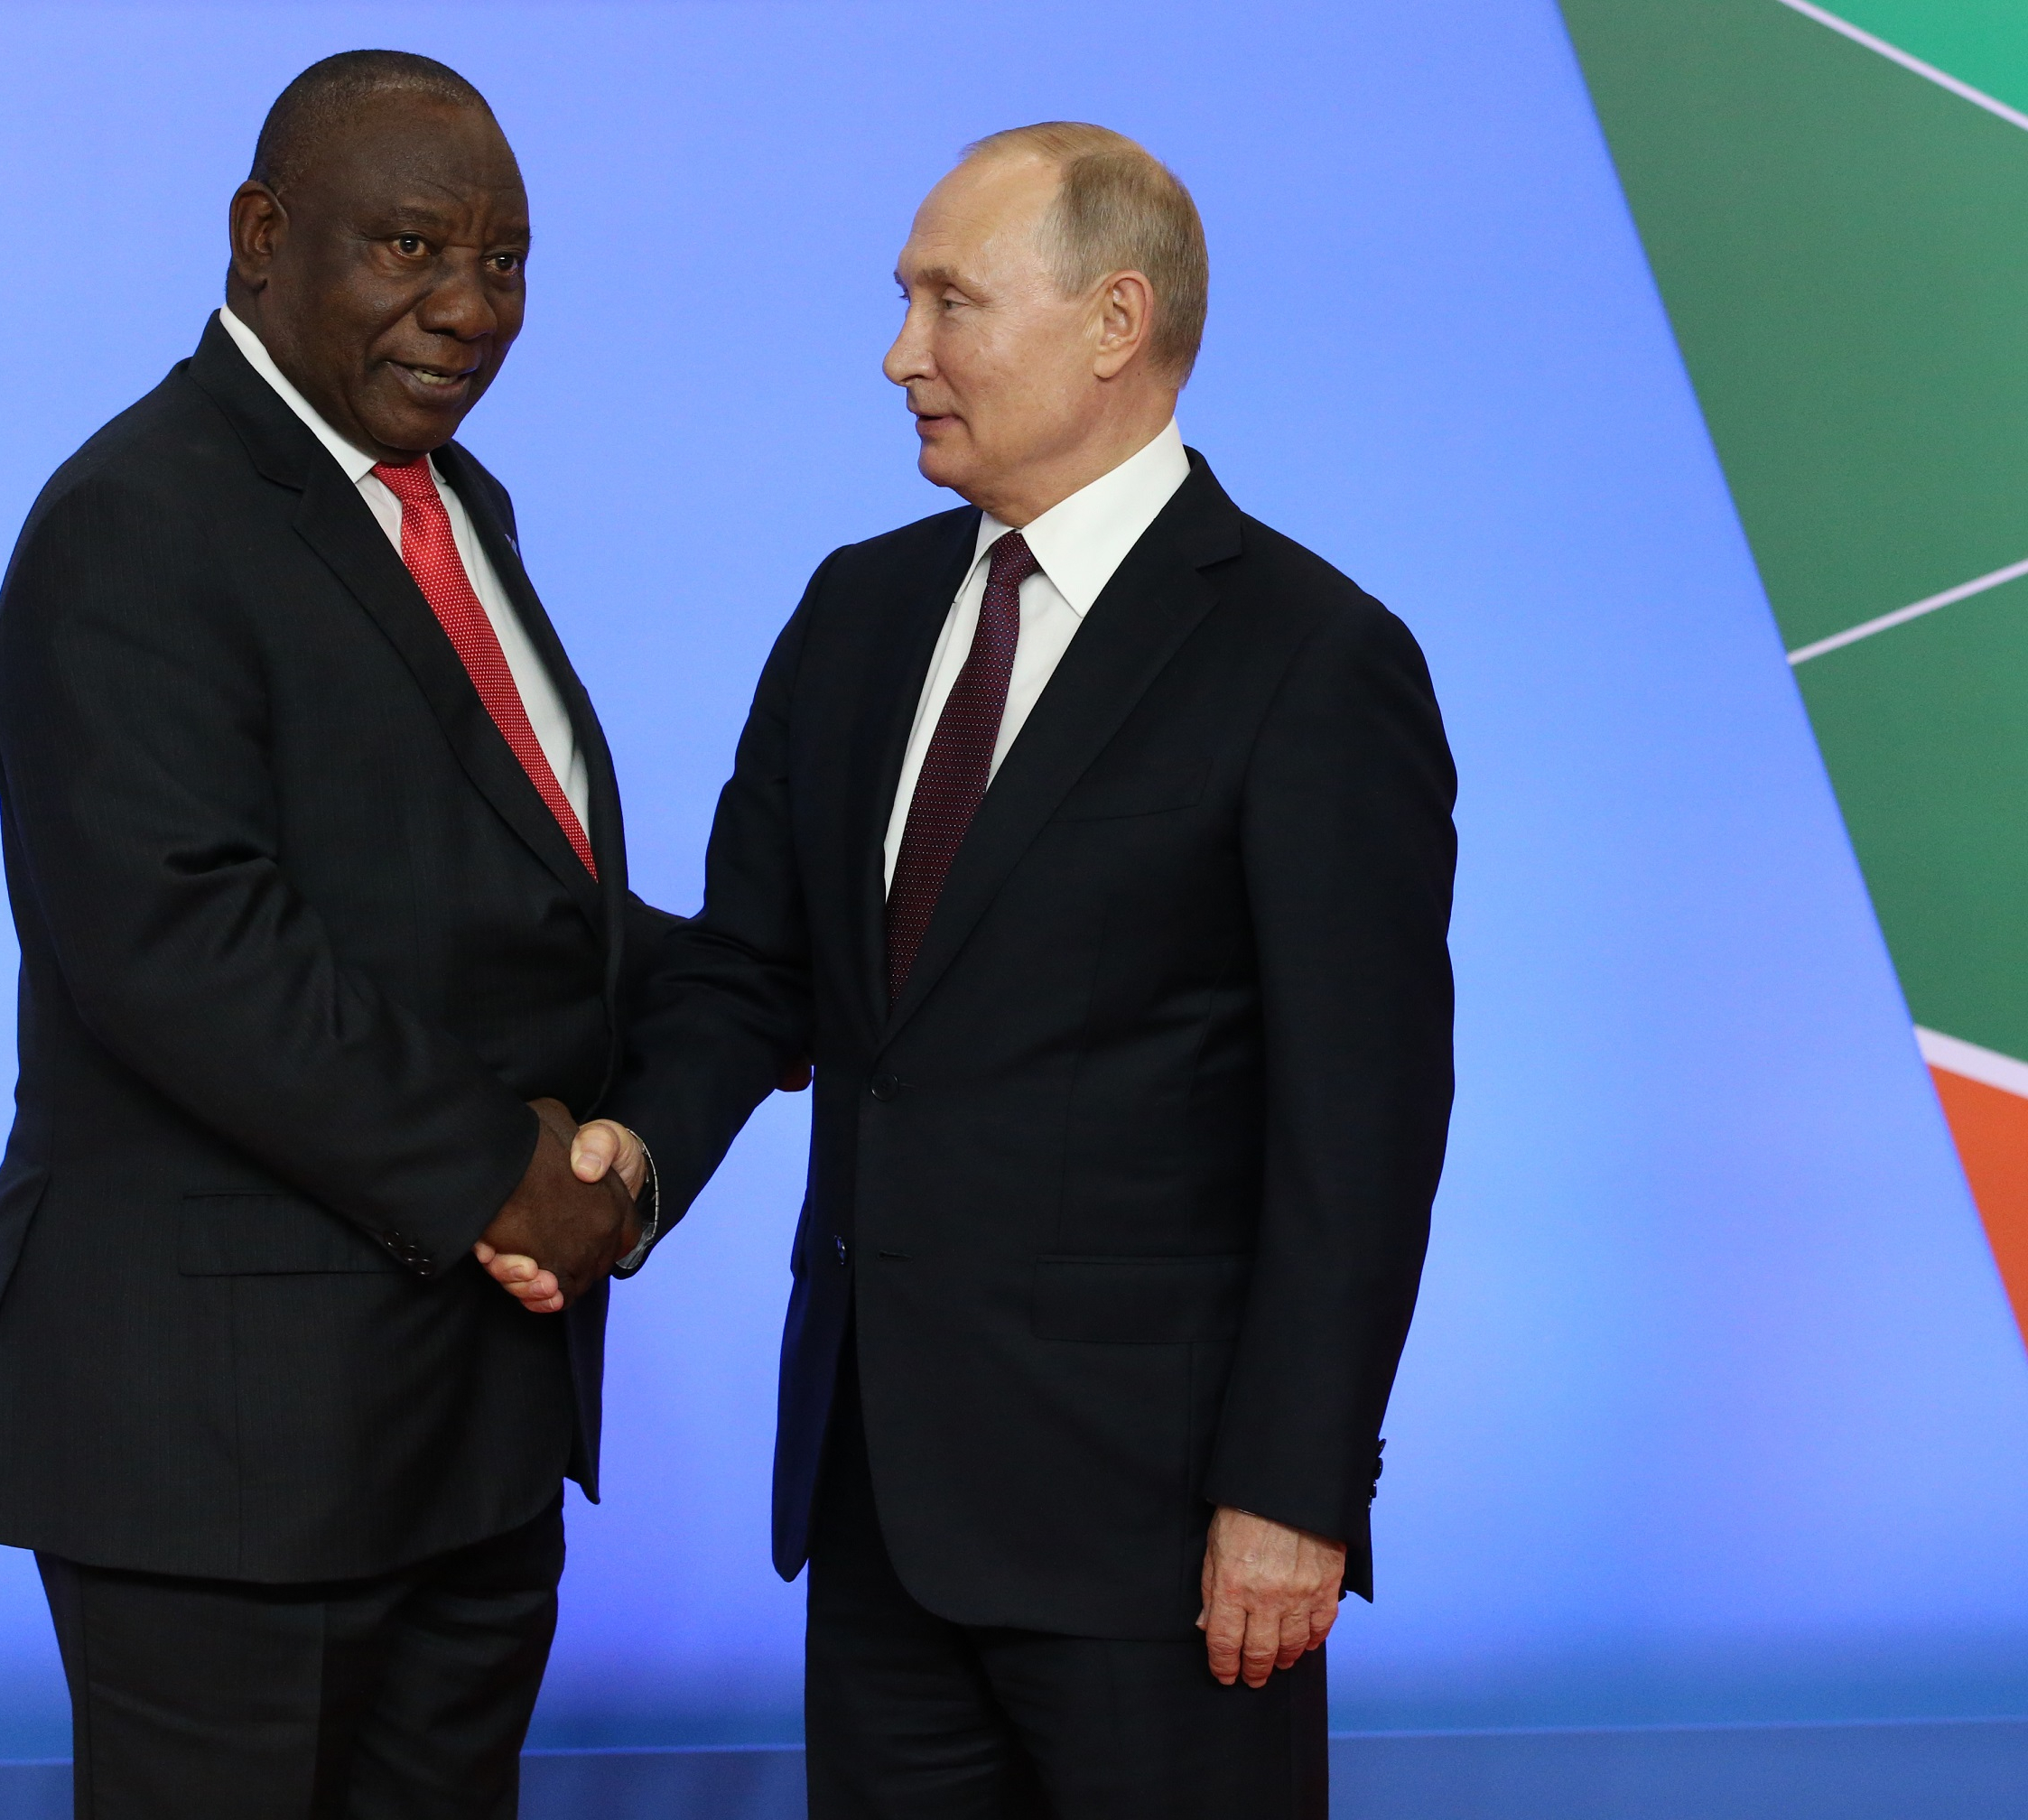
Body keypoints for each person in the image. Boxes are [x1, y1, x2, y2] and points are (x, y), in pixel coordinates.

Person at [488, 123, 1456, 1815]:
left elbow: (1360, 1122)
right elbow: (746, 977)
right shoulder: (856, 612)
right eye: (902, 301)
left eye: (951, 301)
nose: (900, 353)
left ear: (1115, 321)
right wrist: (626, 1162)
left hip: (1165, 1541)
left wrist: (1296, 1491)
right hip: (876, 1513)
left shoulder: (1313, 660)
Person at [0, 51, 668, 1820]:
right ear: (263, 239)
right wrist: (509, 1177)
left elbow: (494, 895)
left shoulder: (450, 504)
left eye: (503, 261)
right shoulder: (137, 521)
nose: (470, 307)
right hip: (228, 1450)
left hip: (463, 1427)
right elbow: (181, 945)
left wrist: (760, 992)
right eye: (411, 247)